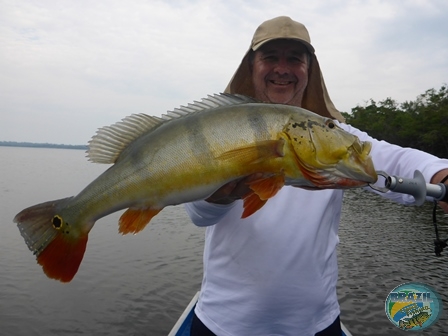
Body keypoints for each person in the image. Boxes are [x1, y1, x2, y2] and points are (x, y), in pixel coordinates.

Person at [185, 16, 448, 336]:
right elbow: (199, 214)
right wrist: (223, 193)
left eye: (295, 59)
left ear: (309, 71)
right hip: (223, 323)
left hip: (315, 324)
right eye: (270, 57)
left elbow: (394, 159)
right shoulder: (224, 131)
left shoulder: (333, 135)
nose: (282, 68)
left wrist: (441, 175)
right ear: (251, 67)